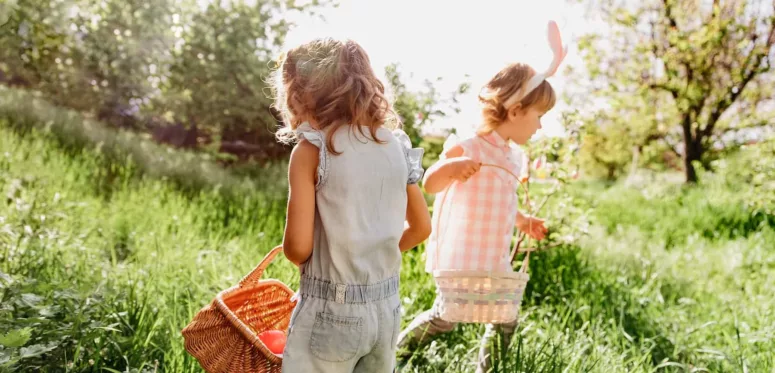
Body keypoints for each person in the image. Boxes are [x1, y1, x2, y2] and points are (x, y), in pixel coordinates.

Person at [396, 21, 567, 373]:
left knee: (505, 317)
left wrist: (523, 220)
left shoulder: (513, 156)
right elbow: (429, 183)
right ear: (516, 110)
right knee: (447, 318)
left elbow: (504, 200)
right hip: (462, 256)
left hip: (493, 255)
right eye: (538, 117)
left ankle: (485, 369)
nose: (540, 126)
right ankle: (395, 353)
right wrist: (451, 168)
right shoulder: (468, 145)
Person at [270, 37, 432, 373]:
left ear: (299, 95)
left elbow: (298, 249)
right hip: (385, 310)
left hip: (331, 312)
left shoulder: (313, 150)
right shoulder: (395, 145)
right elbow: (421, 228)